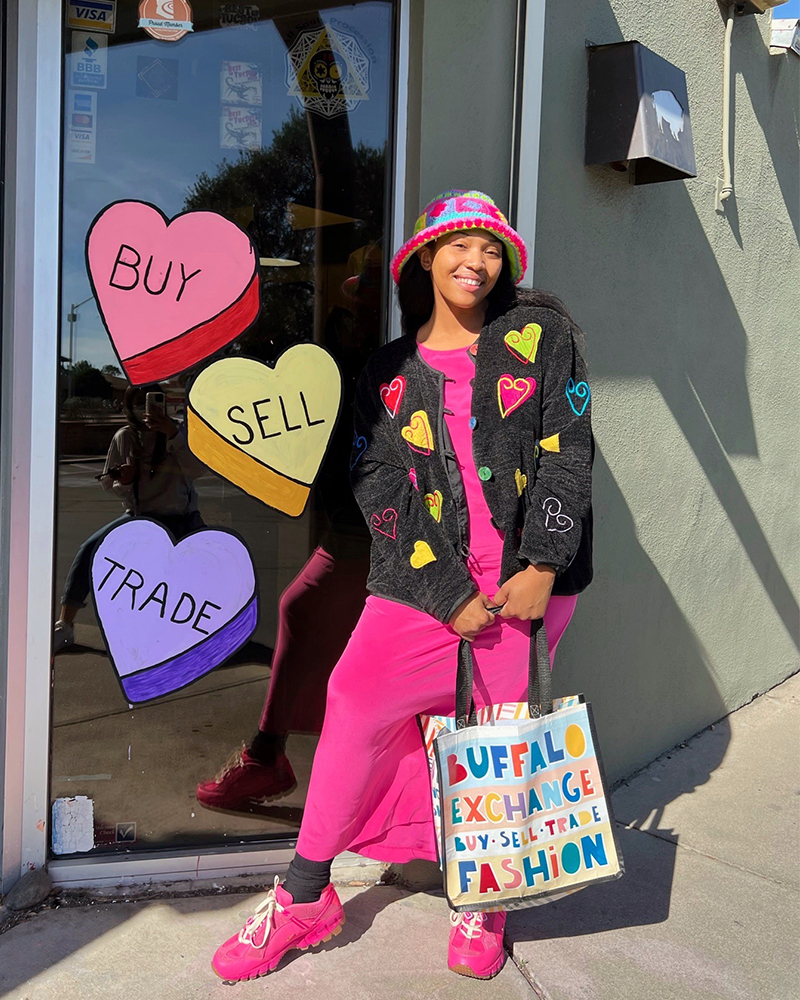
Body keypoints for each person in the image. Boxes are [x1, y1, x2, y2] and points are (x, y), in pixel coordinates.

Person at [210, 190, 593, 982]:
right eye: (458, 245)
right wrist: (446, 589)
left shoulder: (541, 337)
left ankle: (486, 897)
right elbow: (377, 480)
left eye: (491, 249)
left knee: (497, 730)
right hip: (423, 584)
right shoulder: (386, 370)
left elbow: (568, 447)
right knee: (354, 698)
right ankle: (307, 894)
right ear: (423, 258)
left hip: (530, 581)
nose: (475, 262)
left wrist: (543, 565)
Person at [53, 383, 206, 651]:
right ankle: (65, 624)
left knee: (206, 562)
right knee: (89, 549)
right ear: (128, 409)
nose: (145, 410)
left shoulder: (179, 430)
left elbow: (196, 470)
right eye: (138, 404)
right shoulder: (125, 437)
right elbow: (109, 484)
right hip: (140, 516)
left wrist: (171, 432)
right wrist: (124, 480)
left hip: (180, 516)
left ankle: (208, 626)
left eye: (150, 402)